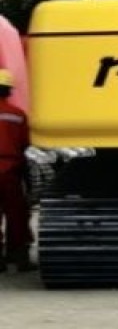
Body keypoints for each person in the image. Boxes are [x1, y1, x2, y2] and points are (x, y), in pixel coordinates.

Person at [0, 68, 34, 272]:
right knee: (17, 214)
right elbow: (25, 144)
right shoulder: (18, 115)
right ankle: (19, 257)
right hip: (10, 169)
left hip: (10, 166)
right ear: (8, 91)